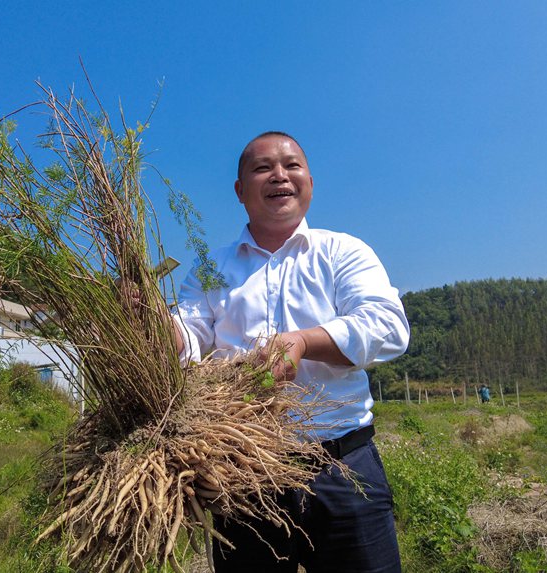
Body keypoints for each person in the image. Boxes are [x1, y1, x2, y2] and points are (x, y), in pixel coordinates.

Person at [172, 131, 410, 572]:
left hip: (342, 469)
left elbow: (388, 328)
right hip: (243, 475)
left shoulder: (343, 252)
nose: (279, 175)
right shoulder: (211, 269)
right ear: (241, 191)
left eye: (291, 165)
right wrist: (148, 324)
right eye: (263, 168)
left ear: (310, 183)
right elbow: (187, 335)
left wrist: (303, 341)